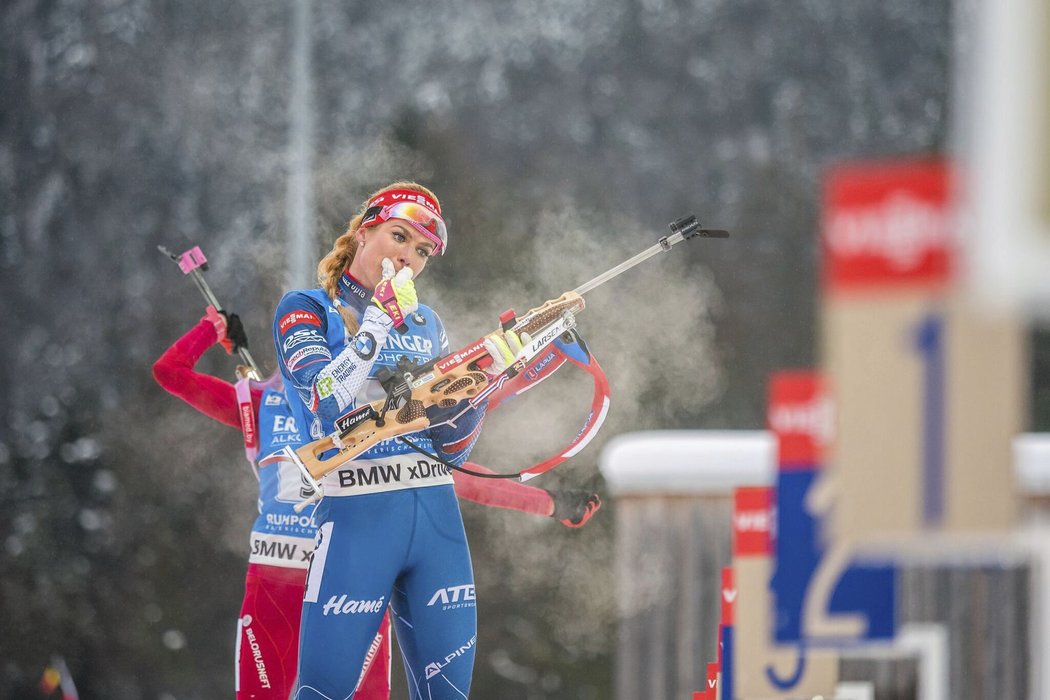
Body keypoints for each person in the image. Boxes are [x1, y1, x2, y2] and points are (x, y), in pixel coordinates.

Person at [155, 293, 599, 698]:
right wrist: (209, 329)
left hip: (357, 571)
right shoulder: (255, 401)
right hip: (278, 578)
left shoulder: (370, 414)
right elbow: (169, 373)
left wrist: (552, 501)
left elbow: (454, 471)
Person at [274, 181, 563, 699]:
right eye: (399, 237)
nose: (409, 257)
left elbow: (451, 448)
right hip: (357, 519)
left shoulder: (427, 323)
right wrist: (377, 324)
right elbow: (325, 402)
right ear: (364, 234)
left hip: (436, 522)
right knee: (322, 691)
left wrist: (484, 381)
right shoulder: (306, 307)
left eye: (423, 251)